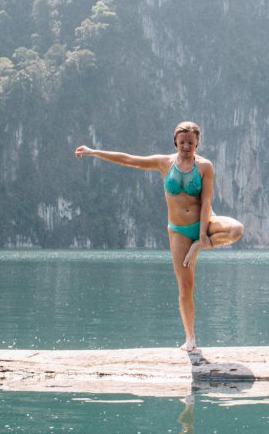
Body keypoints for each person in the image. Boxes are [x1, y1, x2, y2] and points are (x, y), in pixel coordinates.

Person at [75, 121, 243, 351]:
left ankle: (200, 246)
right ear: (176, 142)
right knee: (185, 287)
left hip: (204, 222)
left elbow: (206, 201)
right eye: (182, 142)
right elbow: (128, 159)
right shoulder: (164, 163)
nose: (186, 147)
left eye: (191, 143)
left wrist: (203, 235)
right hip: (178, 231)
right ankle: (190, 339)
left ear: (198, 143)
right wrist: (94, 151)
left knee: (237, 230)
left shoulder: (205, 167)